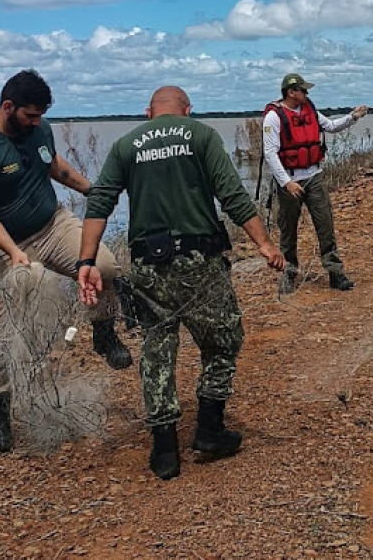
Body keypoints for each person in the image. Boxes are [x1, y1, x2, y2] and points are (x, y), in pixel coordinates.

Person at [78, 86, 286, 480]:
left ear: (148, 112)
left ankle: (165, 449)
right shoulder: (201, 135)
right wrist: (263, 242)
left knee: (158, 347)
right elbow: (231, 195)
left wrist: (87, 260)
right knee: (223, 339)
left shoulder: (126, 144)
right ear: (187, 111)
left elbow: (100, 200)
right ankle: (208, 429)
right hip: (198, 262)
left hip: (146, 265)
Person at [0, 69, 132, 454]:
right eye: (30, 116)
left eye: (40, 116)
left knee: (104, 265)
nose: (38, 123)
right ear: (8, 107)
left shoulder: (39, 129)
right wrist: (15, 253)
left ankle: (103, 332)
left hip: (52, 224)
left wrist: (94, 190)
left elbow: (53, 165)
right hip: (1, 243)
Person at [263, 72, 368, 294]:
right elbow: (270, 154)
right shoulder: (274, 117)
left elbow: (330, 126)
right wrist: (287, 182)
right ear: (291, 92)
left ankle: (335, 272)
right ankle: (289, 273)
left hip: (314, 176)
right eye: (302, 89)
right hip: (290, 180)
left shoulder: (309, 109)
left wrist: (353, 116)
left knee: (325, 224)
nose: (306, 93)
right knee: (288, 229)